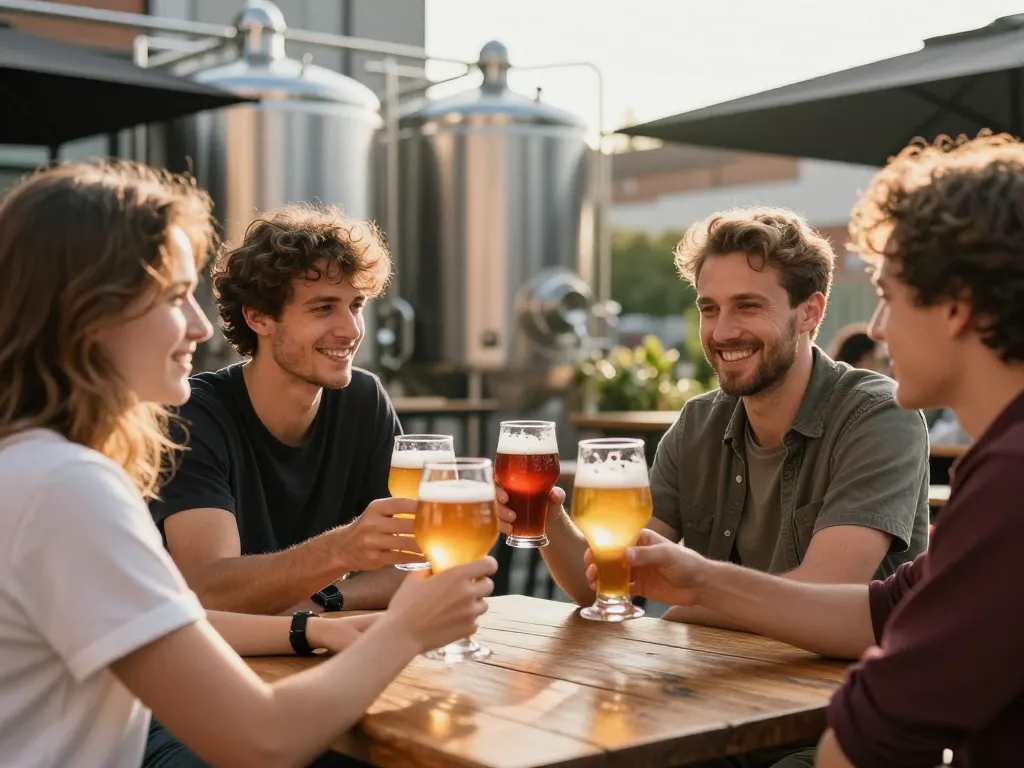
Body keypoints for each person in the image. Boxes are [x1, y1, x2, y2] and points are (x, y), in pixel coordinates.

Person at [0, 159, 496, 768]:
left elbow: (186, 617)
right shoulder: (65, 487)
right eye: (175, 297)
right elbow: (263, 740)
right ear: (89, 311)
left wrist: (315, 618)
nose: (200, 325)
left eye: (356, 304)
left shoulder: (33, 467)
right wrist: (404, 629)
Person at [594, 132, 1024, 767]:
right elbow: (887, 610)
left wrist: (693, 608)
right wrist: (701, 581)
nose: (877, 327)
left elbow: (879, 729)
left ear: (956, 306)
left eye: (890, 295)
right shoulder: (1000, 466)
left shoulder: (1011, 479)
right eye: (709, 308)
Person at [524, 207, 930, 618]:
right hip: (717, 677)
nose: (721, 332)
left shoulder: (878, 413)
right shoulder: (698, 425)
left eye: (748, 306)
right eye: (709, 309)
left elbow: (826, 593)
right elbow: (605, 587)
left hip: (840, 680)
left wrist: (691, 608)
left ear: (810, 312)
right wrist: (548, 514)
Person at [149, 203, 422, 618]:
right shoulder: (192, 414)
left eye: (356, 305)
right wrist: (342, 550)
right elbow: (208, 589)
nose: (350, 330)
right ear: (259, 317)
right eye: (323, 307)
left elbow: (412, 566)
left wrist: (322, 599)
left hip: (317, 642)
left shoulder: (364, 400)